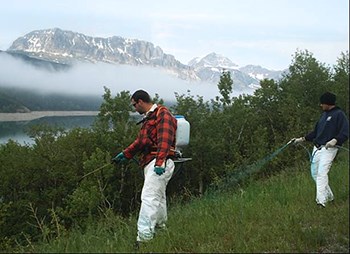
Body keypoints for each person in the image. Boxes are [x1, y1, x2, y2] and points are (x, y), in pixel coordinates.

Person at [112, 89, 177, 244]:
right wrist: (125, 154)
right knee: (158, 198)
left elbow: (165, 140)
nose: (135, 108)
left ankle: (143, 238)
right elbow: (140, 142)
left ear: (140, 101)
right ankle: (160, 230)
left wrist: (160, 161)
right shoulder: (149, 118)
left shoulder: (163, 114)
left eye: (134, 105)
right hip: (152, 162)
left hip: (159, 162)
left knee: (148, 197)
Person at [292, 92, 349, 208]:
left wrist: (335, 140)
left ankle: (321, 202)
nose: (321, 105)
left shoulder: (339, 114)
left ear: (328, 103)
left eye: (322, 103)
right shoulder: (323, 116)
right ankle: (330, 197)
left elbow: (345, 132)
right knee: (315, 174)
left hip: (329, 149)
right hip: (317, 148)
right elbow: (316, 132)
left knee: (322, 174)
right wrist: (302, 139)